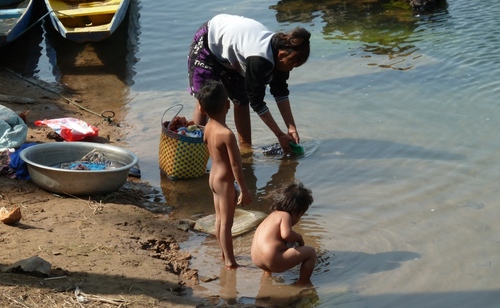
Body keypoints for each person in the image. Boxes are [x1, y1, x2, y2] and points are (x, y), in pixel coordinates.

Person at [188, 14, 311, 153]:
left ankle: (246, 149)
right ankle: (194, 149)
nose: (291, 69)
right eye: (292, 65)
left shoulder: (281, 55)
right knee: (206, 100)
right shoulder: (259, 60)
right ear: (281, 55)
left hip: (234, 53)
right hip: (209, 42)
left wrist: (291, 127)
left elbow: (280, 91)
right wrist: (279, 134)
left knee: (241, 100)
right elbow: (257, 101)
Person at [196, 80, 252, 269]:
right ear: (228, 105)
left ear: (202, 110)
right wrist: (244, 189)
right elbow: (236, 164)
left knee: (219, 220)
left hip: (213, 178)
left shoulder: (208, 129)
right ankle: (230, 261)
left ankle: (223, 254)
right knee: (227, 223)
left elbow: (207, 146)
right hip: (225, 181)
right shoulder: (227, 134)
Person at [251, 180, 316, 287]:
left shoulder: (271, 216)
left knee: (274, 251)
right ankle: (303, 282)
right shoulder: (285, 216)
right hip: (272, 259)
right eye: (300, 215)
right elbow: (286, 235)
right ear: (297, 211)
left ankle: (267, 276)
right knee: (311, 253)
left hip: (257, 259)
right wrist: (299, 238)